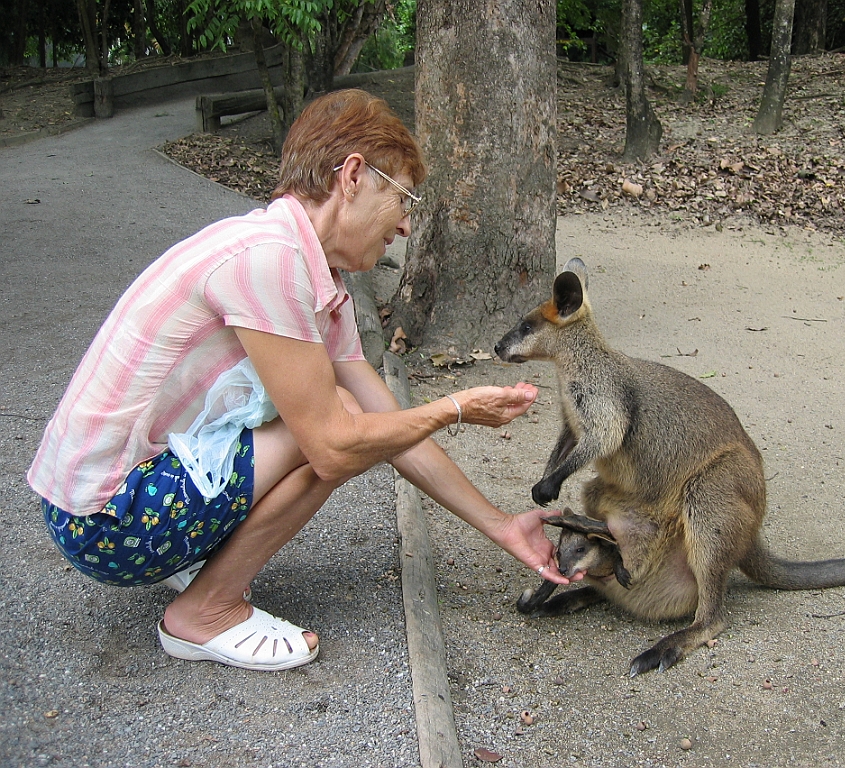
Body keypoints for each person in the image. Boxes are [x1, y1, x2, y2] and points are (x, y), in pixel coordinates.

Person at [28, 89, 574, 672]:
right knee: (334, 427)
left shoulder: (318, 278)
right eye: (403, 198)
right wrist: (453, 407)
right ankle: (204, 612)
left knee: (347, 416)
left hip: (123, 498)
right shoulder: (269, 259)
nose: (406, 225)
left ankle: (199, 564)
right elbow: (336, 446)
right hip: (103, 521)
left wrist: (502, 526)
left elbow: (391, 427)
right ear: (353, 177)